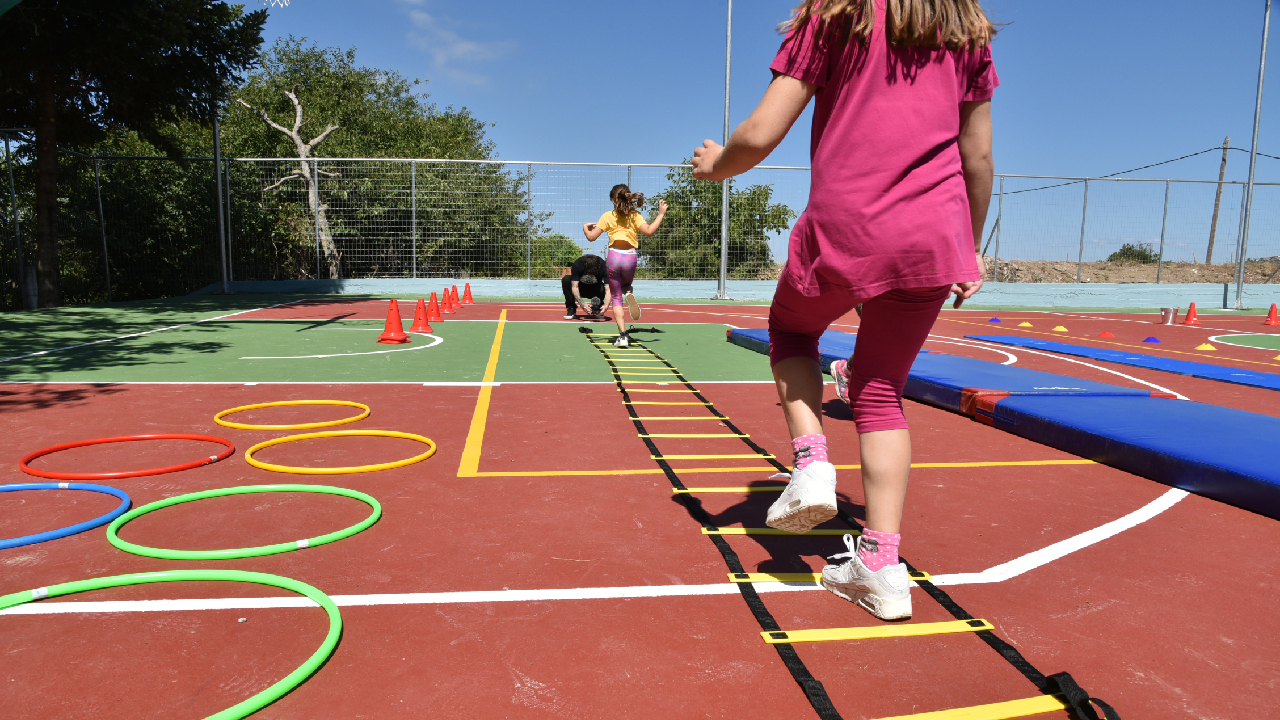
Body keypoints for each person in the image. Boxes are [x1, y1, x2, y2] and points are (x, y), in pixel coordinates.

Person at [691, 0, 996, 620]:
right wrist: (969, 245)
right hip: (933, 234)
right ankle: (882, 568)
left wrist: (715, 166)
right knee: (881, 392)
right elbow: (977, 159)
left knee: (790, 328)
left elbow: (758, 135)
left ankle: (811, 463)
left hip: (847, 228)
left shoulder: (836, 17)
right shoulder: (967, 31)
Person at [582, 184, 668, 347]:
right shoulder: (635, 215)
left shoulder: (608, 216)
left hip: (614, 257)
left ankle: (622, 336)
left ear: (613, 200)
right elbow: (649, 231)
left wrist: (585, 228)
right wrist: (661, 213)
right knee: (626, 285)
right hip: (630, 258)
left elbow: (592, 237)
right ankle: (628, 291)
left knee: (615, 298)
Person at [561, 254, 612, 320]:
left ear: (599, 267)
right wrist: (582, 304)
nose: (591, 276)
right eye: (589, 273)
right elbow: (574, 287)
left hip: (595, 289)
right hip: (580, 288)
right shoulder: (577, 265)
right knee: (566, 280)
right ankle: (571, 308)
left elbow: (609, 290)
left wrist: (606, 306)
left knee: (603, 287)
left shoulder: (605, 267)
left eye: (593, 273)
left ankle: (597, 308)